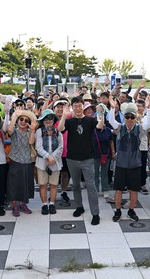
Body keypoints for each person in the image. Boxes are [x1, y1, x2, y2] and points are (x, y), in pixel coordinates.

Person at [58, 96, 105, 225]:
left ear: (83, 107)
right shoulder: (69, 121)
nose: (78, 108)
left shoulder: (90, 120)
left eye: (80, 106)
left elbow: (100, 126)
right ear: (72, 108)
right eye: (75, 106)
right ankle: (79, 207)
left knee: (91, 186)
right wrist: (64, 116)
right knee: (76, 185)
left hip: (88, 159)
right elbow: (60, 129)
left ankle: (95, 213)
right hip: (72, 158)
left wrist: (101, 114)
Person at [108, 102, 150, 221]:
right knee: (118, 189)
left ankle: (131, 211)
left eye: (132, 117)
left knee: (134, 190)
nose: (130, 119)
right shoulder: (120, 128)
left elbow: (148, 122)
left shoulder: (139, 129)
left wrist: (148, 109)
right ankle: (117, 211)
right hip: (121, 164)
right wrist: (112, 107)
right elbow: (111, 120)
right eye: (127, 117)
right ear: (124, 117)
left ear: (136, 117)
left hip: (135, 165)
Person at [7, 108, 38, 217]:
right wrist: (15, 116)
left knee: (26, 184)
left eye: (26, 120)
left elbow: (31, 142)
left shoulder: (30, 132)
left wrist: (33, 130)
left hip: (28, 161)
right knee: (14, 184)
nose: (23, 122)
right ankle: (15, 205)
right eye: (21, 119)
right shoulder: (14, 131)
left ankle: (23, 204)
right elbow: (9, 130)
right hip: (15, 160)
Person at [35, 109, 64, 215]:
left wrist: (52, 157)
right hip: (42, 162)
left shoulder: (58, 132)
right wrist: (48, 156)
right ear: (42, 121)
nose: (48, 121)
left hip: (55, 162)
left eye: (50, 118)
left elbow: (61, 147)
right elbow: (38, 147)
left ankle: (52, 203)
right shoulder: (39, 132)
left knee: (53, 184)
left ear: (53, 120)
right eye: (46, 119)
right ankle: (44, 205)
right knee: (43, 184)